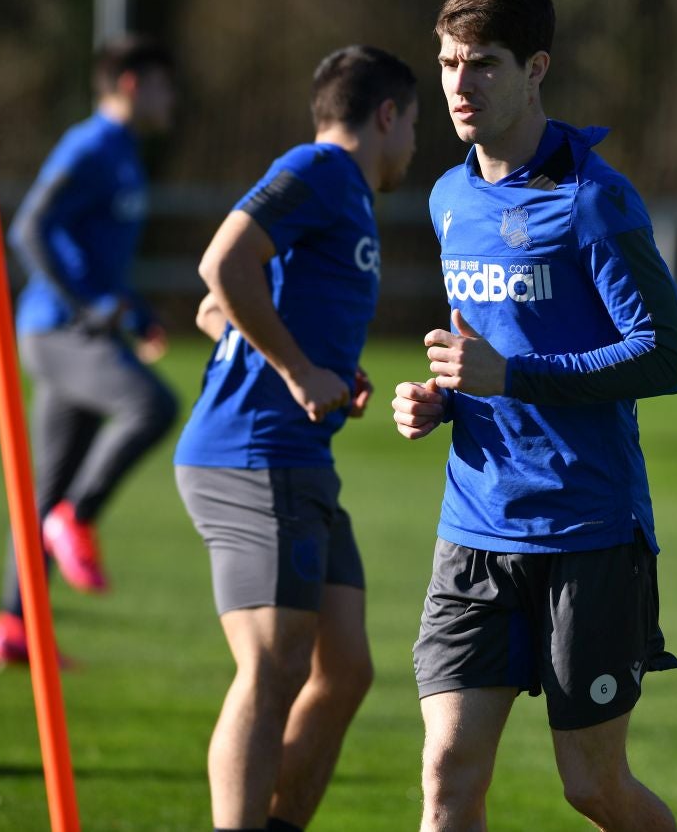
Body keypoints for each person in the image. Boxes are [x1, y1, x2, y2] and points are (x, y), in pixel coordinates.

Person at [391, 0, 677, 832]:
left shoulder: (596, 201)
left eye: (483, 63)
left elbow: (663, 356)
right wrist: (443, 398)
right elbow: (483, 351)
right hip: (473, 527)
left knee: (592, 787)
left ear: (536, 70)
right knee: (446, 774)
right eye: (448, 63)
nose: (460, 84)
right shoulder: (449, 197)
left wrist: (514, 378)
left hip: (586, 531)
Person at [172, 45, 418, 832]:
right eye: (415, 126)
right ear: (387, 115)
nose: (414, 145)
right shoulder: (319, 168)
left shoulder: (343, 192)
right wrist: (297, 369)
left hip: (298, 458)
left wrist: (328, 369)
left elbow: (217, 312)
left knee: (345, 671)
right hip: (253, 454)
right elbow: (222, 266)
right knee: (274, 665)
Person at [0, 35, 180, 667]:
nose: (172, 98)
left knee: (48, 487)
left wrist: (136, 312)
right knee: (152, 405)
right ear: (130, 84)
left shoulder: (125, 152)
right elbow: (29, 228)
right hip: (57, 332)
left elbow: (97, 256)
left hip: (83, 330)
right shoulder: (90, 145)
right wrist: (85, 306)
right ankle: (79, 518)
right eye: (162, 85)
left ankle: (14, 626)